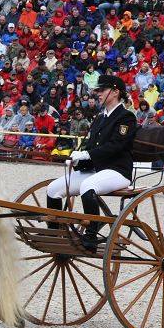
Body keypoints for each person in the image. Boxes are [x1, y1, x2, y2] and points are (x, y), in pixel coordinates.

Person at [45, 75, 137, 251]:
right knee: (53, 189)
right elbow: (90, 143)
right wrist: (76, 159)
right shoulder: (99, 118)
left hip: (117, 170)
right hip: (95, 169)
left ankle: (91, 235)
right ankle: (55, 235)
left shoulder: (126, 117)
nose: (98, 94)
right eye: (98, 91)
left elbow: (116, 146)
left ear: (116, 92)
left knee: (88, 186)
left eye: (102, 90)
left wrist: (87, 154)